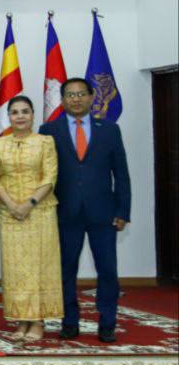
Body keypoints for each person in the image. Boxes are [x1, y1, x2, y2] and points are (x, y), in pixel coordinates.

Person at [39, 78, 131, 343]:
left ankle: (108, 322)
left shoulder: (110, 130)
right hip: (65, 212)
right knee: (65, 270)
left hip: (104, 213)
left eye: (81, 94)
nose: (76, 99)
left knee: (107, 270)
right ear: (63, 100)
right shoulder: (48, 130)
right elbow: (43, 174)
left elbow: (121, 173)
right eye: (70, 95)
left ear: (91, 97)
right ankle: (70, 321)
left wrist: (123, 210)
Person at [0, 95, 61, 341]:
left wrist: (29, 204)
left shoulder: (45, 142)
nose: (20, 116)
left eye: (25, 111)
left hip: (40, 212)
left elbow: (50, 177)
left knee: (39, 266)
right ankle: (21, 320)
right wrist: (12, 205)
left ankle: (38, 320)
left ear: (32, 115)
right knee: (15, 270)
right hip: (10, 215)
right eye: (15, 112)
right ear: (8, 116)